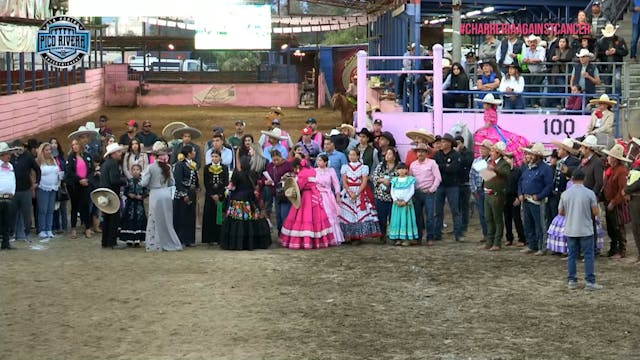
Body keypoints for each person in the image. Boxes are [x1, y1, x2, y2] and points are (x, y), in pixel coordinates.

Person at [559, 169, 603, 291]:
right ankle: (590, 282)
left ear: (572, 179)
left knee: (572, 255)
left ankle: (572, 280)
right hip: (585, 229)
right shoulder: (589, 193)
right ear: (583, 179)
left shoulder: (565, 194)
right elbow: (595, 212)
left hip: (571, 228)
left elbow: (561, 212)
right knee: (589, 255)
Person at [280, 158, 335, 249]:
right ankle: (317, 241)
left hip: (306, 196)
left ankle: (304, 241)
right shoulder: (312, 170)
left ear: (297, 166)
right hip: (315, 195)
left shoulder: (302, 174)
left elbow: (299, 187)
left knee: (304, 216)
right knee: (316, 217)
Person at [221, 156, 271, 250]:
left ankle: (238, 243)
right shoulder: (254, 173)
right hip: (251, 199)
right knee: (252, 220)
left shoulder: (237, 174)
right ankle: (252, 243)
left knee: (238, 221)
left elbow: (231, 186)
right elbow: (256, 185)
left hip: (238, 200)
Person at [141, 141, 182, 252]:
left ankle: (155, 243)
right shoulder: (168, 167)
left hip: (155, 194)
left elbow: (144, 183)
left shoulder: (150, 167)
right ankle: (170, 241)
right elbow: (172, 182)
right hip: (166, 193)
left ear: (154, 156)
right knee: (167, 220)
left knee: (155, 219)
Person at [338, 149, 382, 244]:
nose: (351, 156)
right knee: (347, 213)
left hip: (359, 191)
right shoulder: (345, 167)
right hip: (348, 191)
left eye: (353, 155)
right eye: (350, 155)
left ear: (358, 156)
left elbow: (364, 181)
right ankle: (348, 235)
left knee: (359, 214)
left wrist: (357, 193)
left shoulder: (364, 167)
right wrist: (349, 192)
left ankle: (358, 236)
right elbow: (344, 181)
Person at [473, 94, 529, 166]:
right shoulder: (490, 111)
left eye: (485, 104)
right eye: (483, 104)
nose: (484, 105)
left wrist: (478, 129)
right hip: (492, 129)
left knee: (478, 137)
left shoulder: (490, 112)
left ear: (489, 105)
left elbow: (488, 125)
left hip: (491, 130)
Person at [518, 143, 553, 255]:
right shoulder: (528, 167)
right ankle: (532, 245)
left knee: (540, 224)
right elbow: (521, 181)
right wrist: (520, 193)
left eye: (533, 155)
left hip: (537, 199)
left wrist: (540, 195)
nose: (531, 156)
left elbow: (549, 186)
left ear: (539, 156)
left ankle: (542, 247)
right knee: (528, 223)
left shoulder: (545, 169)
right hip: (527, 199)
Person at [433, 133, 463, 242]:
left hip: (453, 186)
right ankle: (437, 234)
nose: (442, 144)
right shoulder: (437, 155)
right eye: (441, 142)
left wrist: (443, 167)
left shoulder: (456, 155)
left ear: (450, 143)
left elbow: (454, 169)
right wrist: (446, 166)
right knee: (438, 211)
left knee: (455, 210)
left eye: (444, 142)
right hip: (440, 185)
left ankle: (458, 234)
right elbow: (435, 168)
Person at [602, 144, 630, 259]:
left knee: (618, 227)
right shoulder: (612, 169)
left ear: (614, 158)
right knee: (611, 227)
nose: (607, 158)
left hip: (616, 204)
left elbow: (622, 190)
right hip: (609, 202)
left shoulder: (621, 171)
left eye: (609, 156)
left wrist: (614, 202)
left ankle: (621, 250)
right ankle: (614, 248)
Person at [410, 143, 442, 245]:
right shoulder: (413, 165)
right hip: (417, 193)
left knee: (430, 217)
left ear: (426, 153)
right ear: (416, 153)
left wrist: (432, 189)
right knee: (417, 216)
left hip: (428, 192)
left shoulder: (432, 163)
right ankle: (418, 237)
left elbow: (438, 177)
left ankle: (430, 237)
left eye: (422, 151)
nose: (420, 153)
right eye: (418, 151)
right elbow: (410, 179)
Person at [482, 141, 512, 251]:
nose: (491, 153)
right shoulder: (490, 162)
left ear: (498, 153)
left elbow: (506, 174)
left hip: (497, 195)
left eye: (493, 151)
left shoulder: (504, 164)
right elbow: (487, 177)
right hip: (488, 194)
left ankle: (497, 242)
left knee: (497, 219)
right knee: (488, 218)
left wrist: (494, 169)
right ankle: (490, 241)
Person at [100, 143, 127, 248]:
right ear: (113, 154)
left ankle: (105, 241)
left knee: (106, 218)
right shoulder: (113, 164)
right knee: (113, 218)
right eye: (119, 152)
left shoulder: (106, 163)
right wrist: (125, 181)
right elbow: (114, 180)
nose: (120, 154)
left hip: (104, 193)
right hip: (111, 194)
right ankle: (112, 242)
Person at [65, 138, 93, 239]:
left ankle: (87, 228)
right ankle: (73, 228)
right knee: (75, 207)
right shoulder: (70, 158)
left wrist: (87, 180)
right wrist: (79, 180)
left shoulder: (87, 156)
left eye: (76, 144)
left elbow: (91, 170)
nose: (75, 146)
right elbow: (69, 172)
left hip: (86, 185)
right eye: (73, 145)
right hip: (75, 186)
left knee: (85, 206)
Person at [548, 139, 581, 224]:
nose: (557, 151)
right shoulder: (559, 161)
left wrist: (568, 171)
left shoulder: (574, 161)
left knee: (564, 219)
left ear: (565, 150)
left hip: (565, 194)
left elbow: (574, 174)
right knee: (553, 217)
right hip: (555, 194)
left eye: (559, 149)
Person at [173, 145, 199, 247]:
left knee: (190, 216)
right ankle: (180, 239)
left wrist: (197, 188)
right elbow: (178, 180)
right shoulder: (180, 165)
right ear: (189, 153)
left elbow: (195, 179)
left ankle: (189, 239)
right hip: (182, 194)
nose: (194, 152)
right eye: (193, 151)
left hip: (191, 192)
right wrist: (184, 194)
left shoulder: (193, 164)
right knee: (181, 216)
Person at [315, 154, 344, 245]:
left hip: (327, 196)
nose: (318, 162)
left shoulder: (331, 171)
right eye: (317, 160)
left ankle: (332, 237)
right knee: (318, 216)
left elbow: (336, 184)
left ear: (326, 162)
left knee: (329, 215)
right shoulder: (314, 171)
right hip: (317, 195)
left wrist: (337, 195)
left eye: (320, 160)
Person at [372, 147, 399, 243]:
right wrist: (383, 180)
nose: (387, 156)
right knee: (381, 217)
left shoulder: (399, 166)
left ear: (394, 156)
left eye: (390, 154)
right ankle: (382, 235)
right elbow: (374, 177)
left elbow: (402, 178)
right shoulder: (380, 165)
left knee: (394, 217)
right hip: (380, 196)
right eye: (386, 154)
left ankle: (394, 236)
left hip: (394, 197)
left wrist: (391, 182)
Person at [201, 150, 229, 246]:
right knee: (209, 215)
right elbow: (206, 182)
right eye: (212, 156)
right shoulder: (207, 168)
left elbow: (226, 182)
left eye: (216, 156)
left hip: (220, 196)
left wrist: (220, 194)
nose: (214, 158)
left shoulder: (224, 167)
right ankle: (209, 238)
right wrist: (212, 194)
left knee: (219, 216)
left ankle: (219, 238)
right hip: (210, 196)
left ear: (220, 157)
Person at [388, 163, 418, 246]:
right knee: (397, 220)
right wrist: (395, 200)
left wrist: (405, 200)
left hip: (406, 204)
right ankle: (398, 238)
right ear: (397, 171)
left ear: (406, 170)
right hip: (396, 204)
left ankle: (406, 239)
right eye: (399, 169)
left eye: (403, 169)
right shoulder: (394, 180)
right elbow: (392, 191)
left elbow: (412, 191)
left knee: (406, 220)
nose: (401, 171)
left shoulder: (410, 179)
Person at [263, 149, 293, 233]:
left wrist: (285, 177)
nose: (276, 162)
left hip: (285, 193)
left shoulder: (287, 165)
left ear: (281, 157)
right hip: (276, 194)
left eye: (277, 160)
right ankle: (280, 233)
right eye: (274, 160)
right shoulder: (270, 166)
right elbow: (265, 176)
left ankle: (286, 234)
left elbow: (292, 176)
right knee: (278, 215)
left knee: (284, 215)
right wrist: (265, 181)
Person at [35, 143, 60, 239]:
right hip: (43, 187)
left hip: (53, 187)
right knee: (43, 210)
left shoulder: (53, 160)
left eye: (50, 150)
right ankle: (42, 229)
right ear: (42, 151)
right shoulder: (38, 161)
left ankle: (49, 229)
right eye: (46, 150)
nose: (49, 152)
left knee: (50, 210)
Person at [119, 163, 147, 247]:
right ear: (131, 171)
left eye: (137, 170)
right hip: (130, 205)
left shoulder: (143, 181)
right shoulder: (128, 181)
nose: (135, 171)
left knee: (139, 220)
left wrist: (141, 196)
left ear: (140, 171)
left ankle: (138, 239)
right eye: (134, 170)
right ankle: (129, 239)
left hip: (139, 205)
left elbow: (146, 191)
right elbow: (125, 191)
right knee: (129, 220)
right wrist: (129, 194)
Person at [470, 140, 492, 242]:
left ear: (489, 150)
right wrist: (473, 189)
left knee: (490, 214)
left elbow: (489, 177)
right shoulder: (476, 161)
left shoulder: (492, 161)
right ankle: (485, 234)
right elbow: (472, 176)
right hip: (479, 190)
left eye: (484, 149)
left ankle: (492, 234)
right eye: (481, 148)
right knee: (482, 214)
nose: (481, 150)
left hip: (489, 190)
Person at [504, 153, 526, 246]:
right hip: (505, 197)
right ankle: (509, 238)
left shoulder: (518, 171)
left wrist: (518, 197)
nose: (506, 161)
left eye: (507, 159)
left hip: (514, 197)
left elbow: (520, 184)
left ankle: (522, 238)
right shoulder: (504, 171)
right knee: (507, 219)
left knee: (517, 218)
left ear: (512, 159)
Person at [455, 135, 474, 236]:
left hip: (466, 183)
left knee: (465, 206)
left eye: (458, 143)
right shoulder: (454, 153)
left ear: (462, 143)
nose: (457, 146)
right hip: (456, 183)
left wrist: (458, 153)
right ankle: (457, 227)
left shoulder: (469, 153)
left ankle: (464, 226)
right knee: (456, 207)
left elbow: (467, 162)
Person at [521, 34, 546, 107]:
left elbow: (540, 59)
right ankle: (530, 103)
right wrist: (533, 61)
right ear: (529, 43)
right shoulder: (526, 49)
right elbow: (524, 60)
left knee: (535, 86)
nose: (532, 43)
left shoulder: (541, 49)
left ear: (536, 42)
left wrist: (529, 60)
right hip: (530, 71)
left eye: (534, 42)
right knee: (529, 86)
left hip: (540, 71)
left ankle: (535, 103)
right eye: (531, 42)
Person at [624, 155, 640, 263]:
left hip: (637, 198)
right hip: (634, 198)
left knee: (637, 227)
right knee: (636, 228)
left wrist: (627, 190)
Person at [50, 138, 68, 235]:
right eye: (52, 143)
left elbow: (64, 168)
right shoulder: (49, 159)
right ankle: (55, 226)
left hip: (61, 183)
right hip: (53, 183)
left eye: (55, 143)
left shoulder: (61, 158)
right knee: (55, 206)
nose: (53, 145)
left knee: (63, 207)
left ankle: (64, 226)